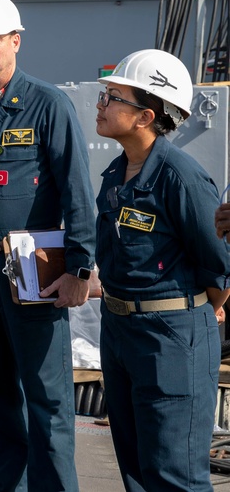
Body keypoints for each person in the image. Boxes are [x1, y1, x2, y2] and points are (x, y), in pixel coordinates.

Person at [0, 0, 96, 491]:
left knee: (48, 395)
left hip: (32, 266)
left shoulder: (46, 104)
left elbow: (76, 191)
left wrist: (80, 270)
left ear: (15, 41)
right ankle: (8, 485)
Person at [94, 49, 229, 491]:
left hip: (170, 337)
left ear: (145, 116)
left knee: (175, 476)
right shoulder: (117, 173)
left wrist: (203, 312)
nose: (101, 103)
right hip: (120, 331)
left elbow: (220, 262)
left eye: (113, 96)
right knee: (136, 471)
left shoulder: (182, 178)